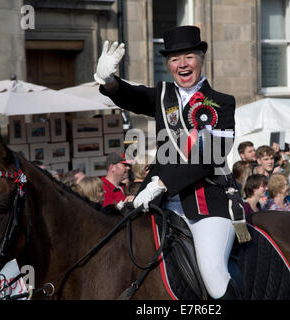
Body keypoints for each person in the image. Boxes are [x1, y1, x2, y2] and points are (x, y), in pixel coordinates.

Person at [95, 25, 249, 299]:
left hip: (207, 204)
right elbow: (133, 95)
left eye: (189, 56)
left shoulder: (222, 103)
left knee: (213, 272)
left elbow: (211, 156)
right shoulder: (163, 97)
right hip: (161, 203)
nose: (182, 64)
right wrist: (110, 82)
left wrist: (163, 184)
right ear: (168, 64)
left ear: (201, 57)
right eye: (175, 59)